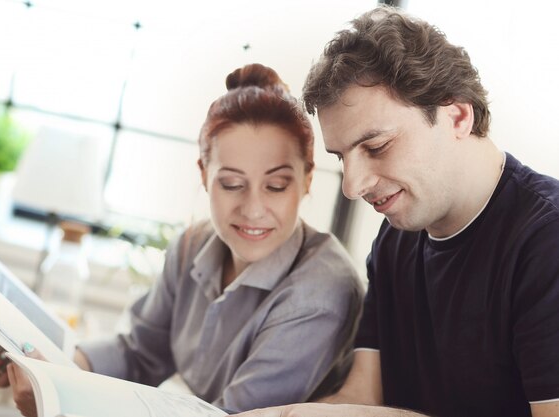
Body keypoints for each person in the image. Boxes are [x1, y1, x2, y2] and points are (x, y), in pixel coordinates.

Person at [0, 63, 364, 415]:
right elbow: (140, 353)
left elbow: (233, 416)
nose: (254, 208)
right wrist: (50, 366)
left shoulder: (321, 292)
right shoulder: (191, 246)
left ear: (307, 180)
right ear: (204, 174)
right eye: (231, 184)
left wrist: (63, 402)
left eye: (277, 186)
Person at [236, 6, 559, 417]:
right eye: (342, 157)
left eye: (376, 147)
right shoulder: (395, 240)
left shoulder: (546, 242)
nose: (353, 187)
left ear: (457, 116)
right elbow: (362, 397)